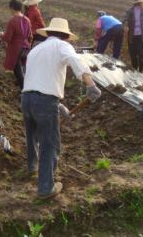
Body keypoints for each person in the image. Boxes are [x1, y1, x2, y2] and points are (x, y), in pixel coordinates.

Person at [22, 17, 102, 200]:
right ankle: (45, 188)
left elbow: (39, 78)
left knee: (32, 136)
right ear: (65, 36)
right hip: (45, 101)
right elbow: (77, 62)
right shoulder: (62, 46)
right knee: (50, 143)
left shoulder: (36, 49)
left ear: (49, 33)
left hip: (26, 98)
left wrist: (56, 105)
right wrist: (90, 85)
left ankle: (32, 167)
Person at [0, 0, 32, 89]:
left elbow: (8, 38)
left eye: (10, 8)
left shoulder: (12, 21)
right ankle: (27, 87)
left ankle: (25, 90)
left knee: (18, 72)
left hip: (16, 50)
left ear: (12, 8)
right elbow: (30, 36)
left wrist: (1, 35)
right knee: (23, 70)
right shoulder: (27, 20)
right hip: (26, 47)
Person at [122, 0, 143, 72]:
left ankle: (141, 71)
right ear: (139, 3)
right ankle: (135, 69)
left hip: (141, 36)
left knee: (141, 54)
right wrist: (125, 24)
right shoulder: (130, 11)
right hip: (131, 36)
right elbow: (124, 19)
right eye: (142, 2)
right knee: (133, 54)